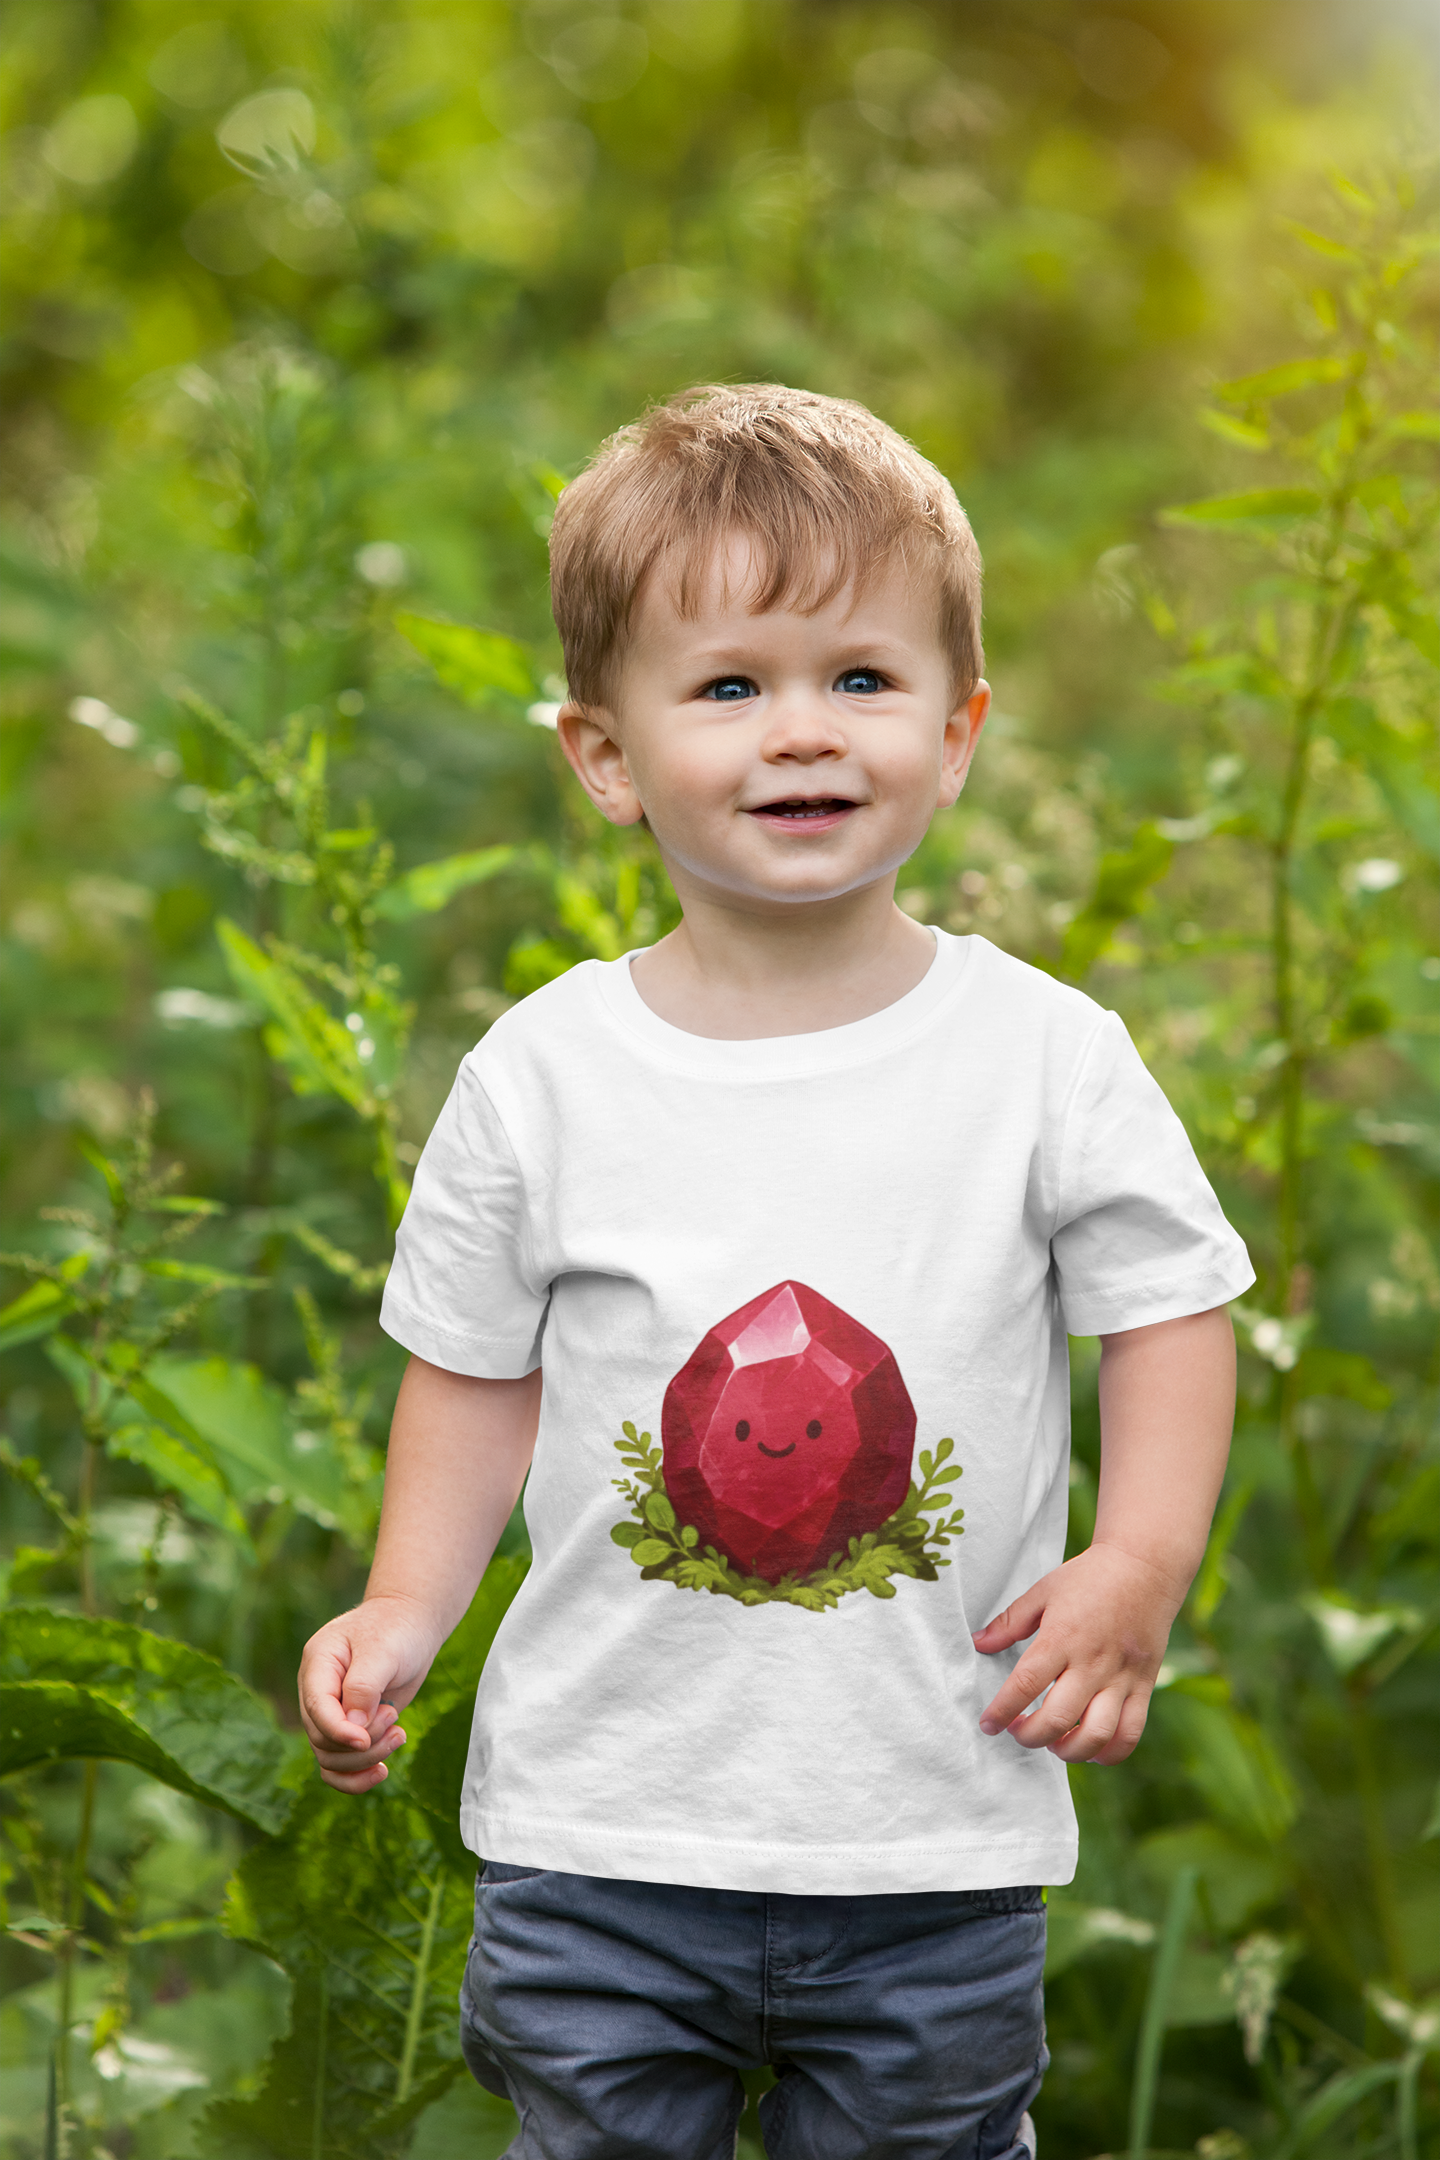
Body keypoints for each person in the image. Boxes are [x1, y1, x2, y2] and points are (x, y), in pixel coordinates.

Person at [298, 383, 1253, 2160]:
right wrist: (407, 1605)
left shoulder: (1042, 1060)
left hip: (928, 1836)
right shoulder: (547, 1073)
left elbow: (1168, 1312)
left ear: (958, 731)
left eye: (861, 680)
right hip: (600, 1833)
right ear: (605, 755)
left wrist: (1142, 1561)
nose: (800, 732)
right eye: (731, 686)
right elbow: (475, 1365)